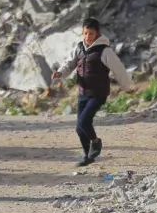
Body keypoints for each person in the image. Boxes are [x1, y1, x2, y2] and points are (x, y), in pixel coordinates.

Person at [51, 16, 132, 167]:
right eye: (85, 33)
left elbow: (119, 70)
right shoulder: (79, 48)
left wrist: (127, 87)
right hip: (83, 92)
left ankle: (96, 142)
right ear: (83, 33)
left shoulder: (105, 51)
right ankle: (87, 156)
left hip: (98, 93)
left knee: (84, 122)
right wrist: (60, 73)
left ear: (98, 34)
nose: (88, 37)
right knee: (79, 128)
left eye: (91, 34)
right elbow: (69, 64)